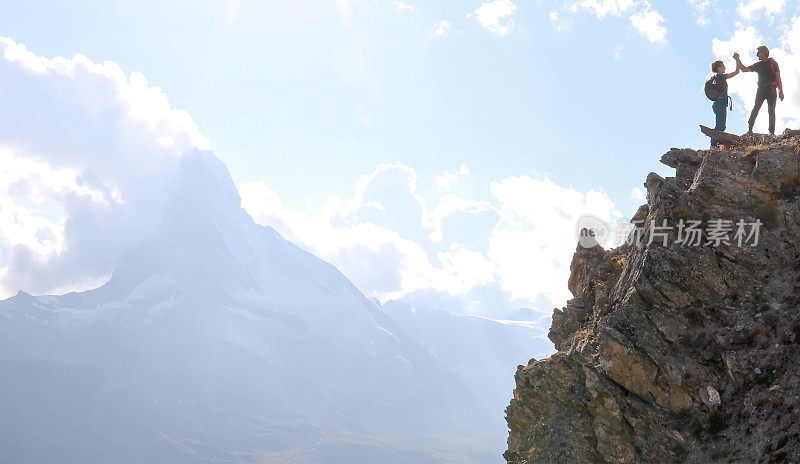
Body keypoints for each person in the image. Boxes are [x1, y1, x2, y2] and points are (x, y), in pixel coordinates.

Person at [734, 45, 784, 135]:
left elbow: (778, 78)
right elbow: (744, 69)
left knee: (771, 110)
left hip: (771, 89)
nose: (757, 54)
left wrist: (781, 91)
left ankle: (771, 132)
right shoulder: (758, 65)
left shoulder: (773, 63)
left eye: (759, 52)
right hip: (761, 89)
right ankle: (750, 129)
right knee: (756, 108)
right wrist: (737, 59)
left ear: (765, 52)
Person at [709, 57, 740, 147]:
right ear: (718, 68)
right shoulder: (721, 77)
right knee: (720, 126)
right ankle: (714, 145)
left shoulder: (715, 78)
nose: (725, 68)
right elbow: (736, 72)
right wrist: (737, 60)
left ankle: (715, 144)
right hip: (721, 103)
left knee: (720, 125)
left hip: (717, 104)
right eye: (723, 66)